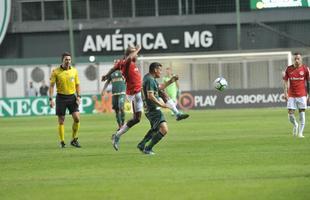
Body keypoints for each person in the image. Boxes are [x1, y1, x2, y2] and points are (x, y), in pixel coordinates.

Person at [102, 45, 188, 151]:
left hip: (139, 91)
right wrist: (138, 49)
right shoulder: (126, 63)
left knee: (137, 119)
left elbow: (113, 68)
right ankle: (118, 136)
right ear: (129, 54)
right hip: (134, 93)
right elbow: (127, 59)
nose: (137, 55)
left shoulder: (127, 64)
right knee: (142, 113)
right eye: (135, 53)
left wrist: (106, 76)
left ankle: (177, 113)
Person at [137, 62, 179, 155]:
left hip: (150, 108)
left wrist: (171, 80)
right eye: (160, 70)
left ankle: (142, 144)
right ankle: (148, 148)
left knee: (155, 128)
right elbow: (150, 96)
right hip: (153, 109)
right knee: (164, 129)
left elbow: (160, 87)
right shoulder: (150, 80)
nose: (161, 72)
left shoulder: (150, 78)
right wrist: (162, 104)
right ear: (155, 70)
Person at [49, 52, 82, 148]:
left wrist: (79, 96)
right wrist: (50, 99)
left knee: (77, 118)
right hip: (61, 97)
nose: (68, 61)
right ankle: (62, 141)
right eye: (66, 59)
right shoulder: (55, 71)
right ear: (62, 60)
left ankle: (74, 139)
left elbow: (77, 85)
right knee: (61, 120)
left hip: (72, 97)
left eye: (69, 59)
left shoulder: (74, 71)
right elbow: (51, 86)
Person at [283, 52, 310, 138]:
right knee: (290, 114)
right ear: (293, 60)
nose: (297, 60)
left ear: (301, 59)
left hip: (302, 95)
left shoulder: (305, 69)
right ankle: (295, 125)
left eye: (298, 58)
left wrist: (309, 94)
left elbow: (308, 82)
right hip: (291, 95)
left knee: (302, 113)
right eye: (295, 59)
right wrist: (285, 92)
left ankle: (300, 133)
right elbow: (285, 81)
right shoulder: (288, 69)